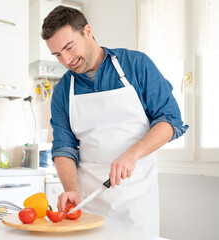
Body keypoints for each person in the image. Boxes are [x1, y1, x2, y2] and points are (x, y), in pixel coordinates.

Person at [42, 5, 188, 236]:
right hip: (88, 202)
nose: (67, 60)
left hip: (137, 200)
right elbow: (64, 146)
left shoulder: (136, 65)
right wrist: (71, 189)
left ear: (87, 31)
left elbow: (171, 121)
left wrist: (132, 154)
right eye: (57, 54)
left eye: (69, 47)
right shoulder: (63, 90)